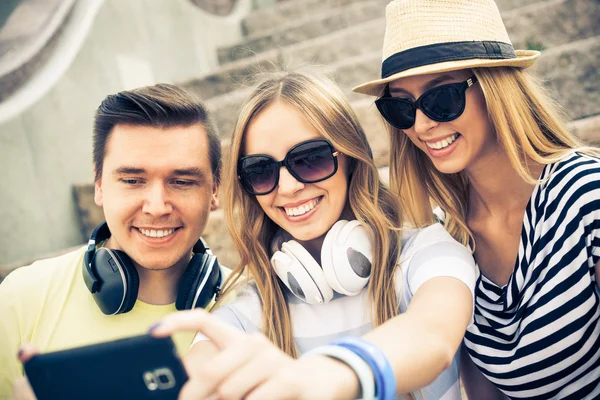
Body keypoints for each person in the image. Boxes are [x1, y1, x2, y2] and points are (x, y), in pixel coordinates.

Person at [149, 69, 477, 400]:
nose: (289, 188)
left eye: (310, 159)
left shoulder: (429, 254)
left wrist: (324, 375)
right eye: (261, 171)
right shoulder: (249, 310)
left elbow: (432, 337)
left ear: (350, 157)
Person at [353, 0, 600, 399]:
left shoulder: (586, 195)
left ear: (495, 88)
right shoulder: (449, 241)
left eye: (442, 97)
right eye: (400, 106)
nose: (421, 124)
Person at [0, 83, 224, 399]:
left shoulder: (253, 304)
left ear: (215, 189)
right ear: (99, 184)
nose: (157, 207)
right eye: (133, 180)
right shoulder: (19, 299)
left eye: (182, 181)